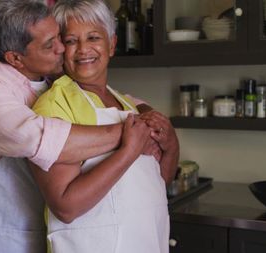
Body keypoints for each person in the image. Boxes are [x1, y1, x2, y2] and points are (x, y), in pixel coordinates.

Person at [0, 0, 159, 253]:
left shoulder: (48, 73)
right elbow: (38, 138)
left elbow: (108, 96)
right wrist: (129, 136)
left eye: (59, 38)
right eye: (50, 44)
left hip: (46, 232)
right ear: (15, 58)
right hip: (5, 236)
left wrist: (145, 113)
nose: (61, 49)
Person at [30, 0, 180, 252]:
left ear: (112, 45)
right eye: (70, 40)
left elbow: (156, 184)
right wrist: (128, 151)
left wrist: (172, 145)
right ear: (59, 49)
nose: (83, 49)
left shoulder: (127, 105)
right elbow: (65, 207)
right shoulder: (53, 106)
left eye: (93, 37)